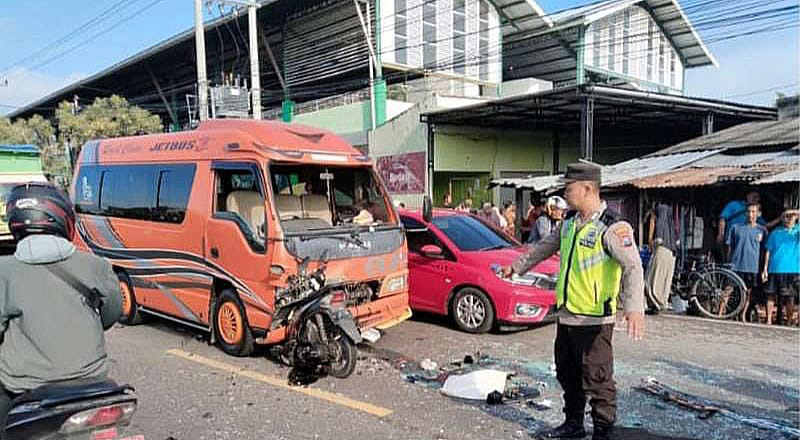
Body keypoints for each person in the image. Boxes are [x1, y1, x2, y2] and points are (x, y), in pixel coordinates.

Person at [500, 162, 645, 440]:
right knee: (568, 375)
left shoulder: (613, 228)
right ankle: (573, 424)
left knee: (598, 380)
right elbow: (544, 248)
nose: (565, 194)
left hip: (594, 320)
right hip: (566, 316)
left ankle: (603, 432)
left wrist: (634, 308)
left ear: (587, 188)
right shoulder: (568, 222)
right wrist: (516, 266)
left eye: (569, 188)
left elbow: (633, 267)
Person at [0, 183, 122, 429]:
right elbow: (111, 315)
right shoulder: (97, 265)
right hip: (92, 380)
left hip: (24, 387)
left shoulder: (4, 270)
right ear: (64, 219)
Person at [726, 202, 768, 321]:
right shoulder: (736, 228)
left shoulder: (762, 231)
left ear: (758, 214)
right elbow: (730, 246)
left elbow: (765, 251)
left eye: (753, 212)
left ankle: (742, 314)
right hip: (736, 265)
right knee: (728, 289)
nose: (750, 214)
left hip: (752, 267)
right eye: (748, 212)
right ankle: (721, 311)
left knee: (748, 292)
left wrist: (763, 268)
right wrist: (728, 262)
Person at [761, 209, 800, 325]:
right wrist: (765, 269)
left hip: (792, 269)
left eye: (790, 217)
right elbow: (768, 251)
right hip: (774, 268)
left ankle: (788, 321)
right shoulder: (775, 232)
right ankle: (768, 320)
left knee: (790, 297)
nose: (788, 219)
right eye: (786, 216)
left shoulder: (797, 232)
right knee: (770, 295)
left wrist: (795, 212)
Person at [644, 202, 678, 314]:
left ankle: (654, 304)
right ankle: (659, 303)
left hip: (662, 250)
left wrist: (651, 240)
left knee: (651, 279)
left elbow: (654, 224)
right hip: (671, 254)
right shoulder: (671, 228)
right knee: (663, 280)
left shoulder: (659, 219)